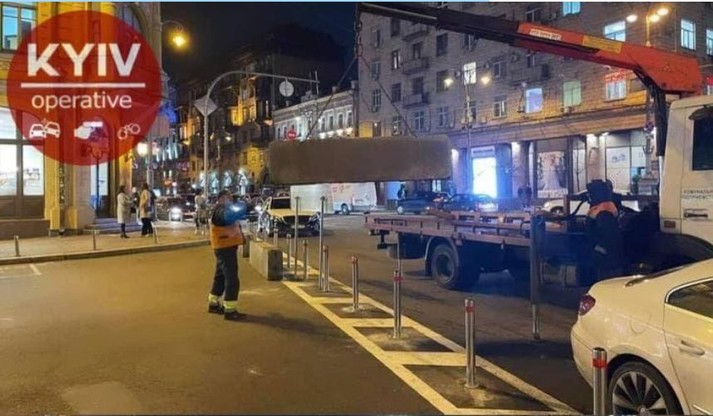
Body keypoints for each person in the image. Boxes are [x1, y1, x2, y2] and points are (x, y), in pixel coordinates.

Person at [207, 189, 246, 321]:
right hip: (225, 248)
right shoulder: (220, 211)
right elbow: (231, 216)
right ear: (221, 199)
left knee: (220, 277)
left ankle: (213, 303)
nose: (230, 199)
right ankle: (230, 310)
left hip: (224, 247)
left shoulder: (222, 209)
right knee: (232, 279)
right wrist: (244, 206)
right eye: (228, 197)